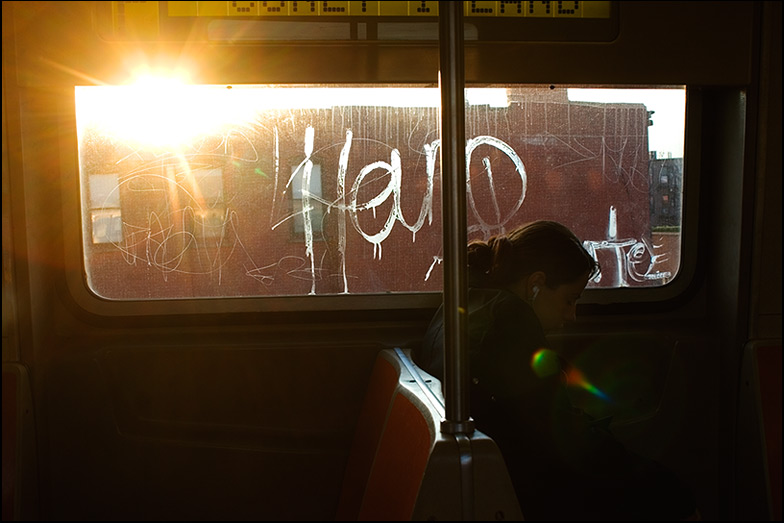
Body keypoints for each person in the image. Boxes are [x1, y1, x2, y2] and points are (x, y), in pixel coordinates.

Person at [413, 220, 697, 521]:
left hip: (505, 458)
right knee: (671, 494)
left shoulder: (467, 301)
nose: (571, 316)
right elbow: (558, 433)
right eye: (569, 300)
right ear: (535, 283)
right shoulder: (511, 321)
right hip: (522, 478)